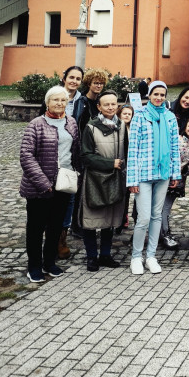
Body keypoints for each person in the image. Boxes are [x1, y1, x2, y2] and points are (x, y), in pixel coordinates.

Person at [20, 86, 80, 282]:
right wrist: (43, 182)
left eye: (63, 100)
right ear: (47, 102)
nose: (60, 103)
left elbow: (75, 151)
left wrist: (76, 173)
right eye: (55, 100)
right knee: (36, 228)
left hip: (63, 185)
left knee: (56, 226)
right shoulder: (36, 124)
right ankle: (34, 266)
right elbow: (26, 156)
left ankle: (49, 262)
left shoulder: (71, 123)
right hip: (40, 187)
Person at [126, 81, 181, 275]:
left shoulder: (170, 117)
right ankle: (136, 257)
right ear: (149, 95)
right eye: (155, 94)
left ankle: (151, 256)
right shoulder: (140, 115)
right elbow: (133, 149)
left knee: (157, 216)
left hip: (164, 173)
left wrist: (176, 174)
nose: (159, 98)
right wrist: (131, 179)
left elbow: (175, 146)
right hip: (144, 173)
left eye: (162, 95)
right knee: (143, 217)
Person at [38, 65, 86, 259]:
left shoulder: (82, 101)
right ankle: (49, 236)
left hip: (70, 156)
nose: (74, 81)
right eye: (71, 77)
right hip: (50, 157)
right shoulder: (53, 95)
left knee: (68, 200)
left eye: (78, 78)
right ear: (64, 78)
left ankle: (61, 239)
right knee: (49, 200)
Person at [80, 89, 126, 271]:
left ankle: (105, 254)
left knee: (110, 218)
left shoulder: (122, 126)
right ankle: (92, 256)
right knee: (91, 219)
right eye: (106, 104)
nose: (110, 107)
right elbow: (86, 156)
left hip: (116, 179)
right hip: (95, 180)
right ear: (99, 107)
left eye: (113, 104)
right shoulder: (91, 127)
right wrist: (110, 163)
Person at [160, 86, 189, 248]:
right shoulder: (168, 112)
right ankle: (162, 233)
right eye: (186, 97)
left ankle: (162, 233)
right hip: (161, 171)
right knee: (158, 206)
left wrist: (184, 170)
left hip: (177, 178)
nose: (188, 101)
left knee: (165, 206)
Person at [116, 103, 134, 233]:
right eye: (125, 113)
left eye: (129, 114)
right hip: (119, 163)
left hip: (129, 164)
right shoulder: (116, 128)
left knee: (127, 193)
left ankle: (124, 216)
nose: (127, 116)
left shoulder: (133, 128)